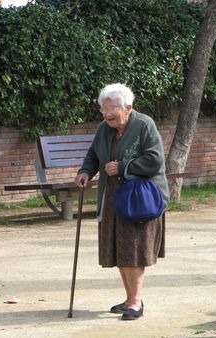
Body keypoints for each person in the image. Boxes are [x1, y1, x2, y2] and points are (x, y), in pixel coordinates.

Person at [75, 83, 169, 320]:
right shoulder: (103, 129)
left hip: (140, 198)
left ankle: (136, 303)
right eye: (104, 109)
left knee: (134, 250)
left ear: (128, 107)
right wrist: (86, 171)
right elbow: (93, 155)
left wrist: (123, 167)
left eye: (113, 108)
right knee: (120, 249)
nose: (107, 113)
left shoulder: (144, 125)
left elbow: (154, 160)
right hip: (113, 197)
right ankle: (130, 299)